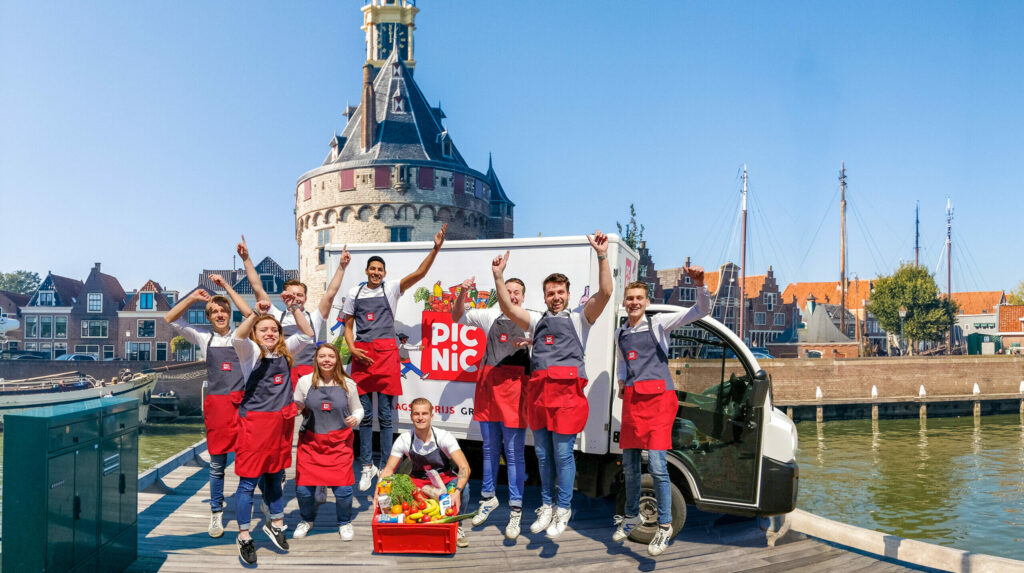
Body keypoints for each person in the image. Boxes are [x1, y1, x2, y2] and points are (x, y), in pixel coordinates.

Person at [490, 230, 613, 539]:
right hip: (540, 398)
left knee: (563, 454)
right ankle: (546, 505)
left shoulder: (580, 319)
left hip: (568, 399)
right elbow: (508, 308)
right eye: (550, 293)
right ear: (544, 297)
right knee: (543, 456)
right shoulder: (535, 321)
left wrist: (602, 255)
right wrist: (498, 276)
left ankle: (563, 508)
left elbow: (606, 293)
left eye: (560, 292)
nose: (556, 297)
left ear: (568, 295)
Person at [343, 223, 448, 491]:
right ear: (367, 271)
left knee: (387, 417)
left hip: (387, 355)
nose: (376, 272)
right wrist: (352, 349)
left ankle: (385, 468)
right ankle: (367, 466)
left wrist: (435, 248)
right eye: (372, 269)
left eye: (380, 269)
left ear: (384, 273)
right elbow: (347, 327)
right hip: (362, 355)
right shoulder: (354, 293)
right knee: (365, 415)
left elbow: (419, 274)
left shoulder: (390, 289)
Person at [612, 272, 709, 556]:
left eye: (639, 298)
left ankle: (664, 526)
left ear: (646, 302)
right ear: (624, 302)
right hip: (633, 401)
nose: (634, 302)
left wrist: (700, 285)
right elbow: (622, 360)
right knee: (630, 466)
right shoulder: (620, 333)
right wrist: (621, 380)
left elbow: (701, 310)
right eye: (630, 298)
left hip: (658, 402)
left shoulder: (658, 325)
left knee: (656, 466)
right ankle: (631, 516)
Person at [163, 275, 253, 538]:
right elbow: (170, 319)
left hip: (242, 406)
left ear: (229, 314)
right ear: (209, 317)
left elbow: (250, 315)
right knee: (217, 465)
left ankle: (250, 506)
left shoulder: (242, 338)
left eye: (223, 310)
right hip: (217, 407)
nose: (219, 314)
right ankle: (216, 512)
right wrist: (192, 297)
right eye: (214, 311)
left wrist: (226, 288)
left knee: (248, 462)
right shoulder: (204, 338)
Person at [231, 297, 313, 565]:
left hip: (279, 425)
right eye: (263, 330)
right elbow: (237, 337)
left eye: (274, 330)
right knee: (247, 482)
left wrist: (295, 308)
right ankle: (244, 535)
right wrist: (256, 312)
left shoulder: (285, 352)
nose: (269, 333)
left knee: (276, 475)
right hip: (255, 426)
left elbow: (307, 333)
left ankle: (276, 523)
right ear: (255, 333)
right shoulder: (251, 352)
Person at [451, 275, 531, 539]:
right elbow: (456, 316)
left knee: (514, 454)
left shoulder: (531, 319)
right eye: (508, 291)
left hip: (515, 392)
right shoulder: (489, 316)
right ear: (501, 294)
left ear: (523, 296)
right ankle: (488, 498)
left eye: (517, 292)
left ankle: (516, 509)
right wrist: (462, 293)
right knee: (489, 449)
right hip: (488, 389)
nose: (512, 295)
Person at [239, 235, 351, 382]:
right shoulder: (276, 316)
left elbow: (331, 293)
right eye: (292, 295)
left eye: (299, 295)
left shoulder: (315, 318)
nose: (296, 298)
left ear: (305, 298)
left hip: (309, 377)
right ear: (284, 296)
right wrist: (246, 259)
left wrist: (341, 267)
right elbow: (257, 287)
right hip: (282, 374)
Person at [292, 343, 363, 541]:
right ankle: (307, 520)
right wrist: (293, 409)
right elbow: (296, 405)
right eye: (322, 356)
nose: (326, 360)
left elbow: (358, 408)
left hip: (339, 444)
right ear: (316, 359)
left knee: (343, 490)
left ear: (337, 360)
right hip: (311, 444)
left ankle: (344, 522)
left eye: (331, 356)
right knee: (303, 490)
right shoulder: (305, 382)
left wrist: (356, 418)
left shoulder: (348, 384)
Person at [379, 397, 472, 548]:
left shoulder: (444, 437)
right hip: (417, 481)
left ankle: (457, 525)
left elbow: (464, 467)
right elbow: (389, 470)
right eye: (416, 414)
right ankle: (408, 529)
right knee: (395, 488)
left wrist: (457, 492)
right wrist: (378, 493)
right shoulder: (404, 439)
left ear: (431, 416)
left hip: (444, 479)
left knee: (464, 487)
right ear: (411, 416)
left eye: (424, 413)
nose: (420, 418)